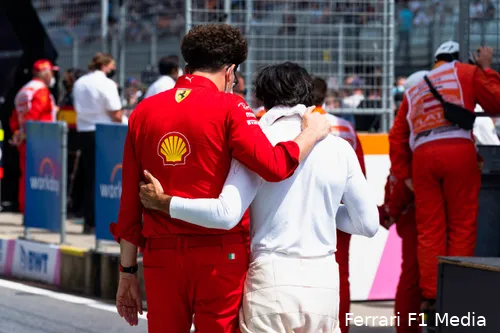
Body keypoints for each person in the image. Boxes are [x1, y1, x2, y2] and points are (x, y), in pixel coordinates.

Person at [111, 25, 331, 333]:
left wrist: (127, 273)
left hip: (161, 257)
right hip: (218, 256)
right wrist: (310, 134)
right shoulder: (231, 106)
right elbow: (274, 166)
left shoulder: (143, 111)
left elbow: (129, 206)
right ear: (230, 72)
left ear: (187, 66)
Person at [139, 62, 379, 333]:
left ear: (261, 99)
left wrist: (166, 203)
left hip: (270, 275)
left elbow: (226, 214)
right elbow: (368, 224)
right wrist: (323, 209)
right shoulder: (338, 147)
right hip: (323, 280)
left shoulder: (255, 142)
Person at [389, 41, 500, 311]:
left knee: (429, 228)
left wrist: (404, 174)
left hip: (424, 158)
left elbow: (396, 135)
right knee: (462, 223)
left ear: (435, 59)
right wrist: (487, 69)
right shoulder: (466, 72)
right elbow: (495, 102)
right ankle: (457, 288)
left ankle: (431, 294)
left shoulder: (414, 89)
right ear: (459, 57)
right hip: (458, 151)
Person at [312, 76, 366, 333]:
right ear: (324, 96)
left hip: (309, 212)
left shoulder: (298, 127)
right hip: (341, 212)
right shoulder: (345, 126)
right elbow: (360, 176)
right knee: (340, 273)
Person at [380, 70, 429, 333]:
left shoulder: (411, 127)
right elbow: (399, 176)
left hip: (416, 213)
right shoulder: (418, 126)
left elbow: (398, 177)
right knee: (416, 277)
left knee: (414, 277)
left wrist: (391, 211)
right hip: (421, 212)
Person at [73, 52, 123, 234]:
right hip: (104, 134)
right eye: (112, 67)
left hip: (84, 132)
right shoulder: (106, 84)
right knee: (107, 179)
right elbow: (116, 114)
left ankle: (89, 220)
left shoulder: (80, 82)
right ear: (104, 67)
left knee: (88, 178)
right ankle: (102, 220)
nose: (113, 70)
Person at [9, 59, 59, 213]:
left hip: (26, 140)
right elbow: (34, 116)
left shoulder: (24, 90)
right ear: (45, 73)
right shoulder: (41, 90)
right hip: (41, 140)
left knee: (27, 175)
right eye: (51, 72)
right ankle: (36, 210)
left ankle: (26, 207)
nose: (52, 75)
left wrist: (18, 133)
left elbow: (14, 117)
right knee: (42, 177)